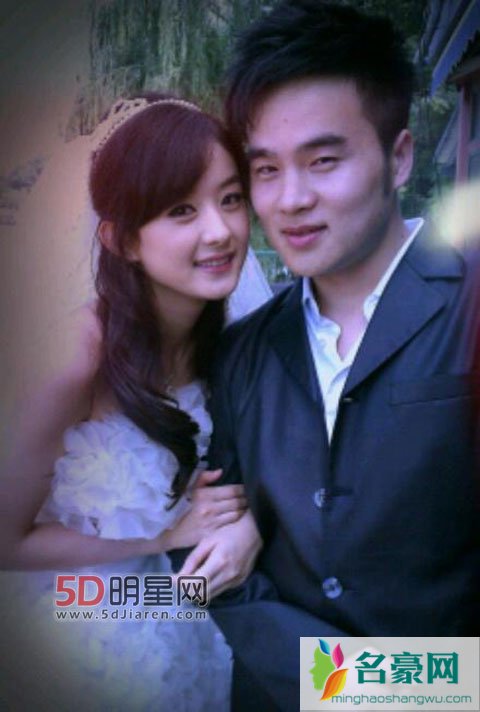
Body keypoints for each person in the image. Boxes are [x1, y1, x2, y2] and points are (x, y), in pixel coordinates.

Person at [177, 2, 480, 710]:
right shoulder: (242, 351)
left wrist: (411, 688)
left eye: (323, 161)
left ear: (398, 157)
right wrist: (333, 683)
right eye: (266, 170)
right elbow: (205, 561)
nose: (291, 200)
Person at [0, 93, 266, 710]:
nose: (220, 231)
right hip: (73, 630)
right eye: (181, 210)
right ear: (121, 239)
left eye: (230, 199)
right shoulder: (73, 363)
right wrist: (163, 536)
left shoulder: (235, 346)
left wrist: (246, 527)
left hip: (181, 614)